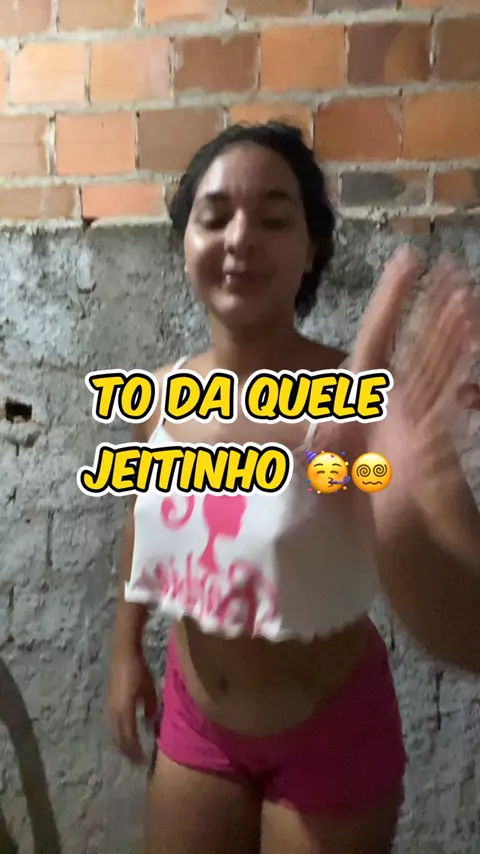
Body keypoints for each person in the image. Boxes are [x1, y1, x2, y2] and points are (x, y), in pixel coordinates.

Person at [107, 122, 480, 853]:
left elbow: (380, 491)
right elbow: (143, 518)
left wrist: (394, 474)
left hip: (327, 732)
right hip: (194, 722)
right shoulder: (166, 390)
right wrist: (126, 651)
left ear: (310, 250)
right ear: (186, 242)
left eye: (275, 220)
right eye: (215, 217)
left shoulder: (363, 397)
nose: (241, 238)